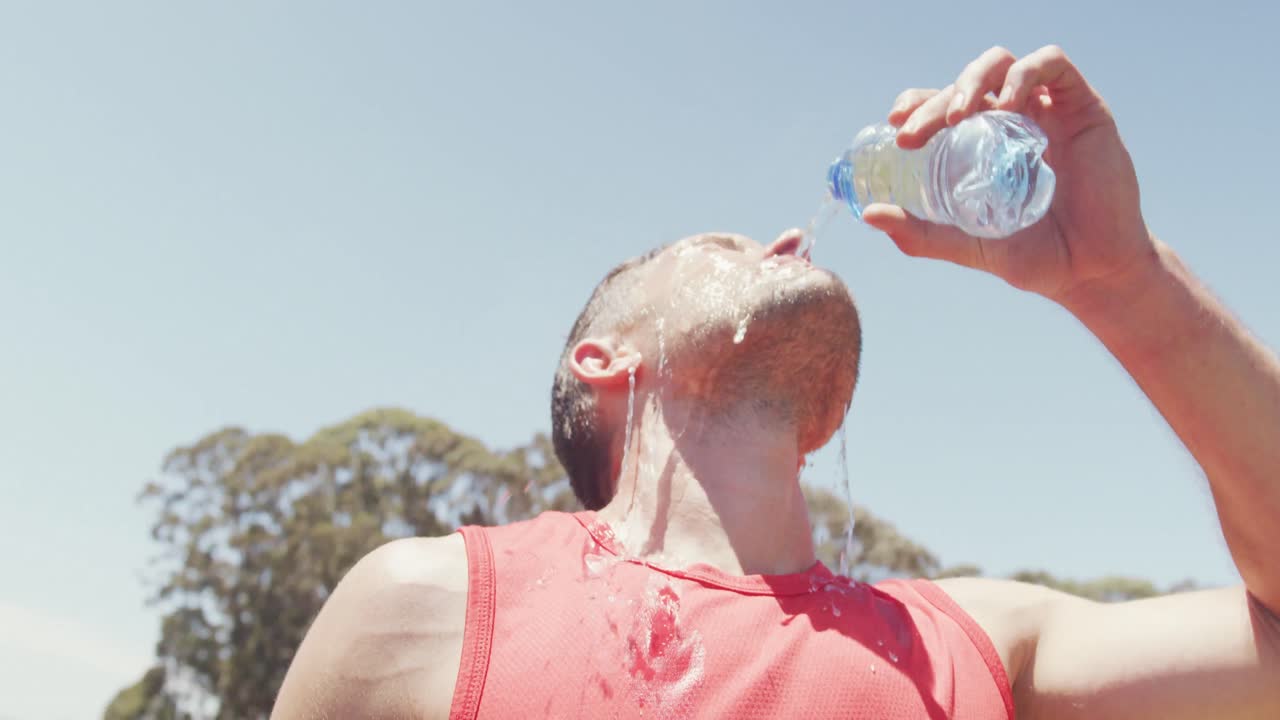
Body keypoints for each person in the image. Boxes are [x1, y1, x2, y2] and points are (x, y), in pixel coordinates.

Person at [271, 45, 1280, 719]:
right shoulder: (422, 609)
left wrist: (1126, 282)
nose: (793, 240)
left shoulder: (980, 641)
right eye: (720, 244)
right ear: (603, 358)